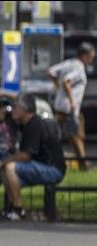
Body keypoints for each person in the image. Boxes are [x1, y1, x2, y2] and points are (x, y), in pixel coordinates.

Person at [0, 94, 66, 222]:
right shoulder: (25, 125)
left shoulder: (35, 124)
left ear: (24, 109)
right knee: (6, 169)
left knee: (10, 167)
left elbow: (25, 155)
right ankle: (11, 209)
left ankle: (18, 209)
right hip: (39, 166)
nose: (12, 110)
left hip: (52, 169)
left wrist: (1, 162)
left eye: (15, 107)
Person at [48, 42, 96, 170]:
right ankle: (84, 165)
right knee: (78, 136)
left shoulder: (68, 63)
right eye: (91, 56)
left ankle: (51, 160)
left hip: (60, 106)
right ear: (84, 56)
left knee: (55, 135)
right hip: (70, 108)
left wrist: (58, 88)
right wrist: (71, 101)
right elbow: (67, 81)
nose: (92, 59)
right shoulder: (79, 67)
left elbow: (51, 72)